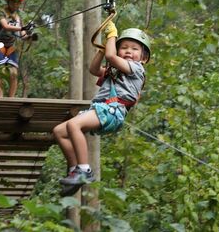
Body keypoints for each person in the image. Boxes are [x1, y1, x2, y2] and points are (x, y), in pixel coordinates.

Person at [53, 20, 151, 191]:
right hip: (103, 110)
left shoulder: (136, 69)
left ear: (143, 58)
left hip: (113, 111)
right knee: (59, 131)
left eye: (134, 49)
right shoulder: (115, 71)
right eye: (124, 47)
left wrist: (112, 35)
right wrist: (102, 49)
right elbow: (94, 69)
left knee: (73, 125)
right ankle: (74, 170)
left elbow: (112, 57)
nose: (128, 51)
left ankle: (84, 170)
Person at [0, 0, 34, 97]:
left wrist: (29, 36)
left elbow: (22, 35)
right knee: (1, 71)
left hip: (11, 46)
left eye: (18, 2)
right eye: (13, 1)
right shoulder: (1, 12)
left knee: (14, 73)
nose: (16, 4)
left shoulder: (18, 16)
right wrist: (22, 28)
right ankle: (0, 98)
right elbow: (5, 26)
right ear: (8, 0)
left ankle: (11, 99)